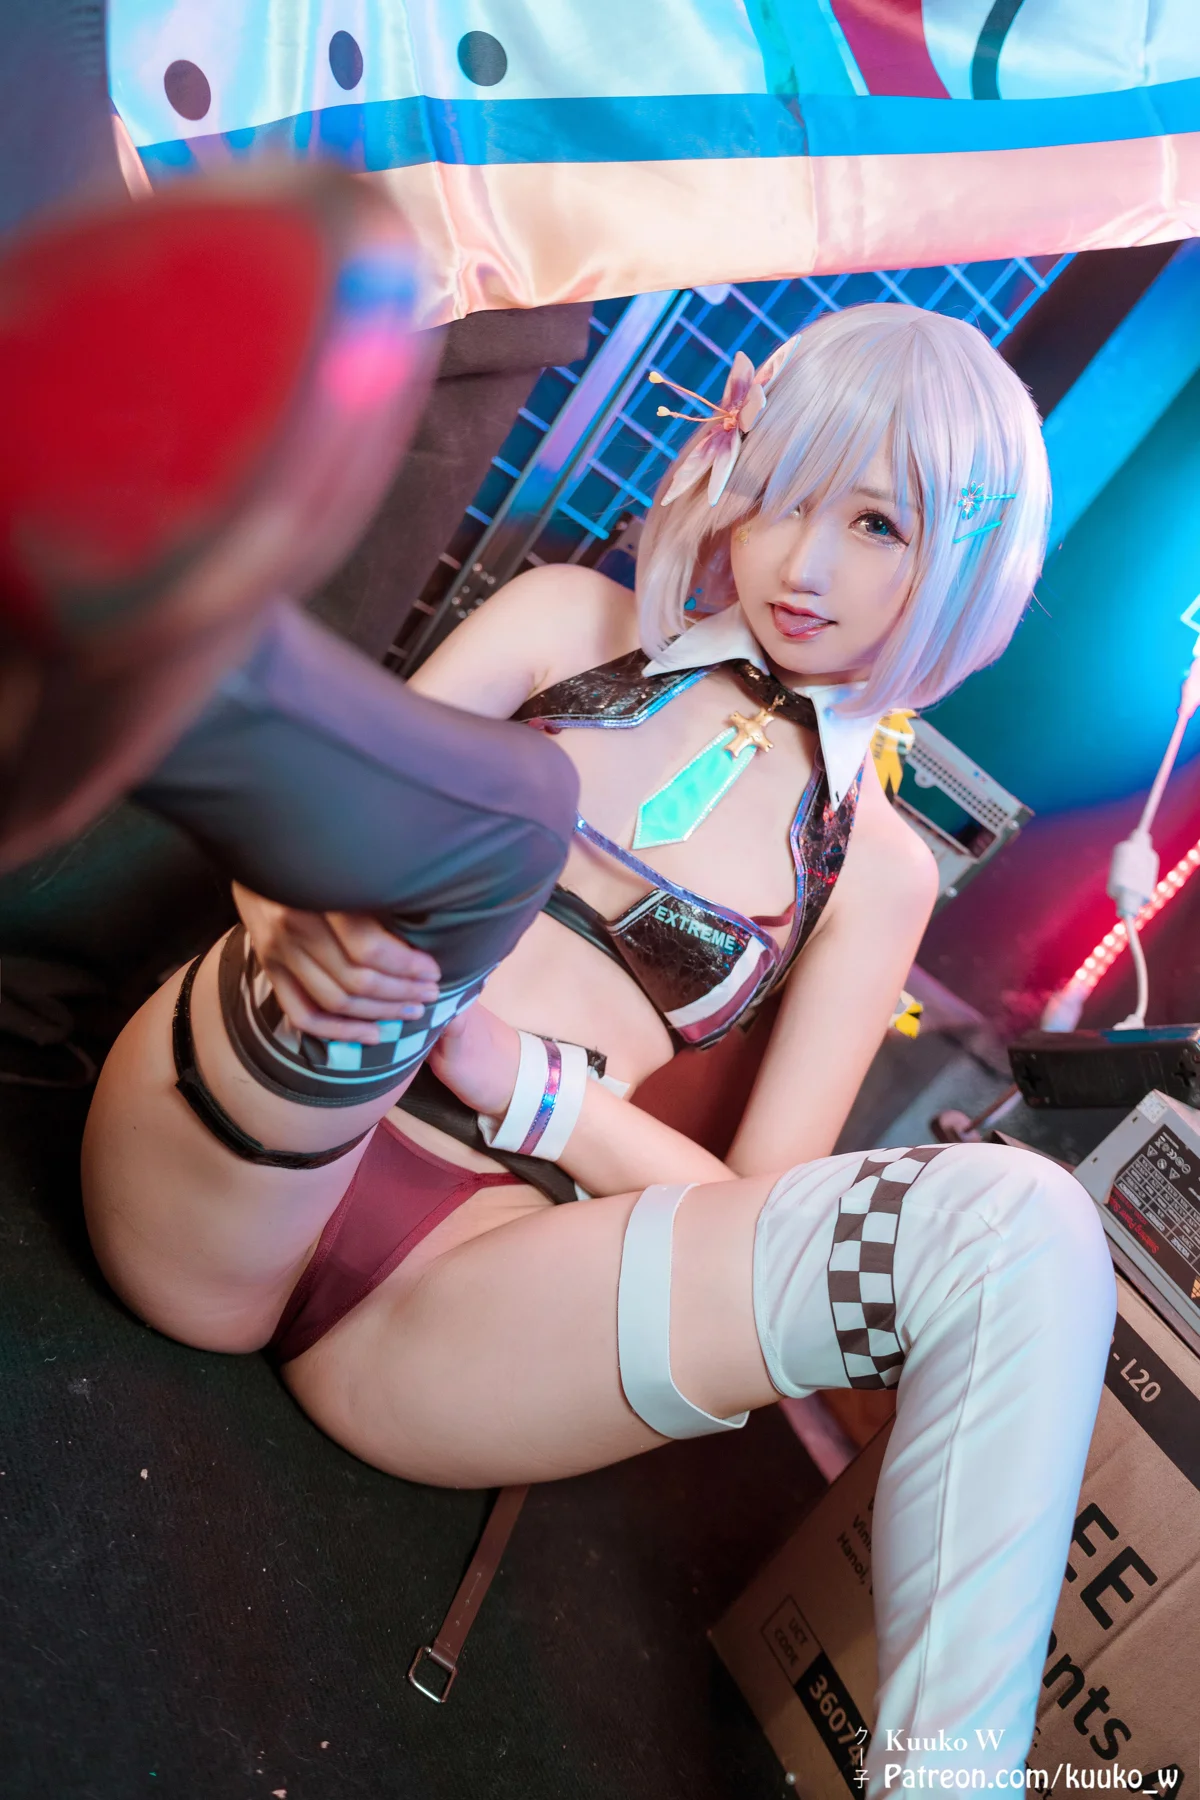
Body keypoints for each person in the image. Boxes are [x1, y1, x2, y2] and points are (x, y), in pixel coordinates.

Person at [82, 303, 1116, 1793]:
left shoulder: (877, 873)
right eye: (782, 490)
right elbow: (289, 851)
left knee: (1030, 1224)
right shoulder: (569, 623)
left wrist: (531, 1088)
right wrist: (349, 941)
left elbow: (749, 1213)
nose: (803, 565)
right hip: (251, 1119)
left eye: (876, 523)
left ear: (966, 565)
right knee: (454, 841)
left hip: (462, 1296)